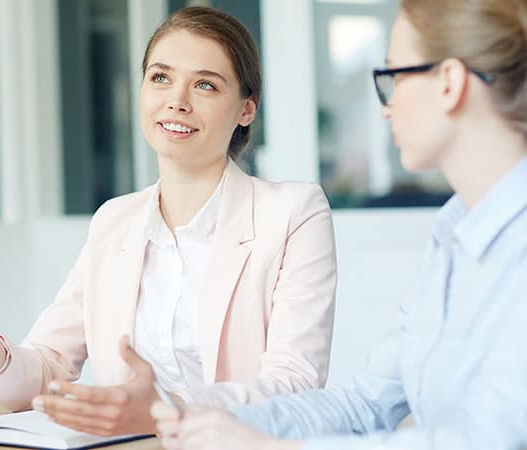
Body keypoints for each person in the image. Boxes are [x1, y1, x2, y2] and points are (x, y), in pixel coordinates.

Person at [0, 6, 337, 436]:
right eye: (161, 77)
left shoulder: (293, 212)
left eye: (205, 85)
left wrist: (165, 409)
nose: (177, 100)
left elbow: (296, 383)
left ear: (246, 110)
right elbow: (48, 368)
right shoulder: (114, 221)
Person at [152, 0, 527, 448]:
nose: (385, 108)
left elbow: (492, 440)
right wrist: (199, 418)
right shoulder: (455, 232)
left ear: (449, 82)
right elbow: (365, 403)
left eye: (392, 77)